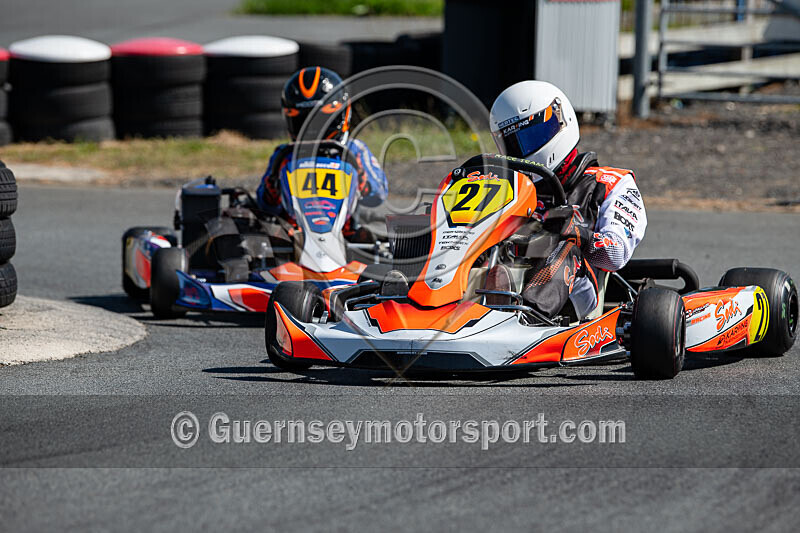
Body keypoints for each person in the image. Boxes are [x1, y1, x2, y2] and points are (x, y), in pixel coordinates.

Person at [489, 80, 647, 319]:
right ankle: (428, 307)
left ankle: (531, 317)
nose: (522, 150)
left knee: (565, 248)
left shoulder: (610, 183)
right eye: (513, 144)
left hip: (576, 290)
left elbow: (617, 255)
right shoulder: (507, 187)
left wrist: (578, 234)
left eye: (531, 137)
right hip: (508, 271)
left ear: (559, 123)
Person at [256, 66, 388, 237]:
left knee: (372, 234)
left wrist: (364, 182)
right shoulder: (284, 154)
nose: (313, 129)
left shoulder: (354, 150)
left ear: (341, 116)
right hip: (292, 239)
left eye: (322, 120)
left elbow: (378, 195)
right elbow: (264, 205)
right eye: (303, 121)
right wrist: (272, 187)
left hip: (345, 237)